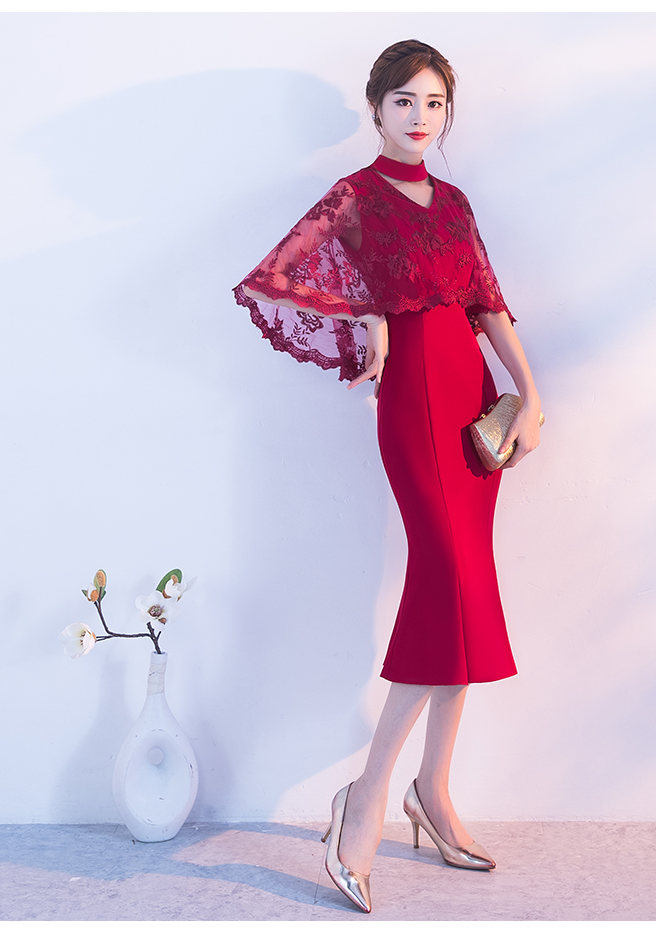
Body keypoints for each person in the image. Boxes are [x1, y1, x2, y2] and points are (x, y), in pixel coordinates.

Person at [234, 39, 542, 914]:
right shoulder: (356, 197)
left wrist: (530, 392)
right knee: (447, 583)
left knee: (465, 589)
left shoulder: (456, 203)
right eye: (404, 100)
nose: (419, 117)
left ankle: (431, 791)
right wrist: (368, 313)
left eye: (434, 103)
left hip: (472, 399)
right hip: (413, 399)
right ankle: (366, 799)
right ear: (375, 109)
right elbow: (278, 274)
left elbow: (488, 302)